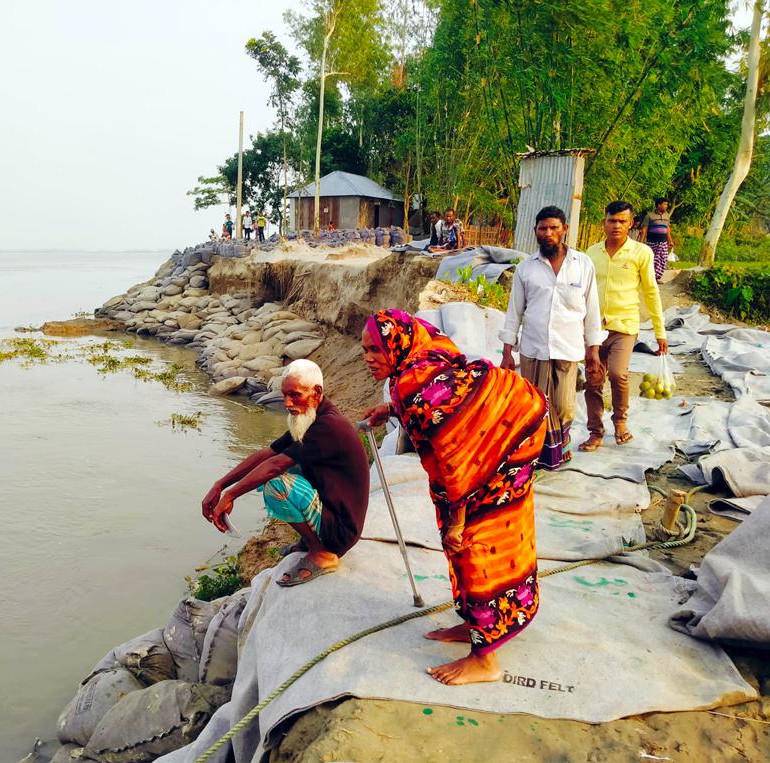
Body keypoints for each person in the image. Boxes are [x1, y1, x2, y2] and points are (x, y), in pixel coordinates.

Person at [361, 309, 546, 686]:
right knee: (466, 537)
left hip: (509, 440)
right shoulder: (420, 356)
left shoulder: (411, 385)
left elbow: (456, 462)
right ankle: (476, 625)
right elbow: (443, 390)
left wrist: (458, 521)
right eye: (365, 350)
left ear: (396, 347)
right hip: (513, 422)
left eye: (375, 350)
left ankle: (485, 660)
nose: (368, 358)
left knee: (475, 543)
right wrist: (391, 409)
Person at [202, 359, 369, 587]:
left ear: (316, 392)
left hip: (341, 530)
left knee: (276, 485)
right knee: (274, 468)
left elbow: (275, 465)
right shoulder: (312, 418)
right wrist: (219, 485)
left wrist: (230, 496)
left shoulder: (328, 427)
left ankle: (321, 552)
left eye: (295, 395)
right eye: (285, 395)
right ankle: (310, 542)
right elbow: (267, 454)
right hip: (332, 511)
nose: (288, 403)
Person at [500, 206, 602, 470]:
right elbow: (515, 311)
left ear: (564, 230)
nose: (548, 233)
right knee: (533, 407)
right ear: (536, 231)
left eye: (554, 228)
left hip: (567, 348)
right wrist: (506, 352)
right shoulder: (526, 269)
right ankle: (535, 455)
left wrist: (593, 349)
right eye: (543, 228)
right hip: (533, 349)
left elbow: (592, 309)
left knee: (566, 407)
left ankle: (560, 441)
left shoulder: (582, 265)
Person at [580, 200, 668, 452]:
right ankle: (595, 431)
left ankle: (620, 421)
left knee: (618, 373)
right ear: (604, 223)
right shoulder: (590, 254)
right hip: (595, 328)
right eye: (612, 220)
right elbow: (582, 292)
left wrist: (660, 332)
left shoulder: (641, 253)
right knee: (593, 379)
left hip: (625, 326)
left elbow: (651, 293)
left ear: (631, 224)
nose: (616, 225)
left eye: (622, 221)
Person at [641, 197, 675, 281]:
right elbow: (644, 229)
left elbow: (668, 228)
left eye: (667, 204)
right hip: (652, 242)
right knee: (652, 259)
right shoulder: (649, 216)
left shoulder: (667, 215)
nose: (666, 206)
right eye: (664, 204)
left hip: (663, 242)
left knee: (662, 259)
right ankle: (650, 278)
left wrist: (670, 240)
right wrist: (641, 241)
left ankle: (656, 278)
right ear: (659, 205)